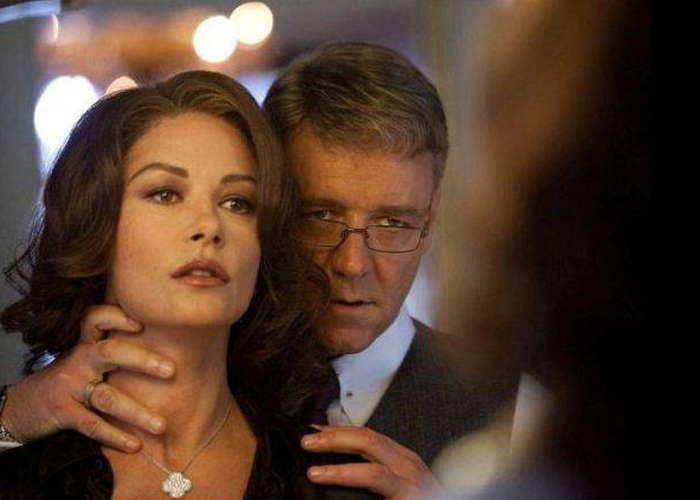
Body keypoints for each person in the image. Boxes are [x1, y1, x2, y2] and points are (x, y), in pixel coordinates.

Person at [0, 43, 515, 498]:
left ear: (432, 217)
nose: (353, 264)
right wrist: (10, 414)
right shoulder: (37, 430)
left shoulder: (517, 414)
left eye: (237, 202)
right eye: (320, 215)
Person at [0, 70, 360, 500]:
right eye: (165, 194)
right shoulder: (19, 471)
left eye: (237, 202)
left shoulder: (331, 483)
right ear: (96, 225)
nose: (209, 226)